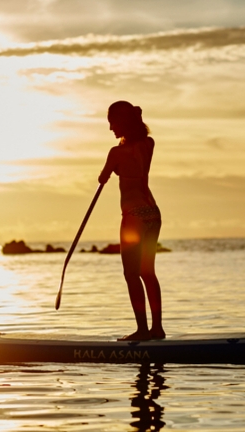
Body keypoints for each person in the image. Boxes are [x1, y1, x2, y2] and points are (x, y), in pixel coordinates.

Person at [99, 101, 166, 341]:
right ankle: (156, 329)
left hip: (133, 217)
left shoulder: (116, 152)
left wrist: (110, 170)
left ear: (123, 122)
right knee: (147, 272)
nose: (110, 128)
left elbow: (103, 176)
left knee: (131, 274)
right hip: (153, 214)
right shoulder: (148, 144)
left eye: (112, 122)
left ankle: (142, 330)